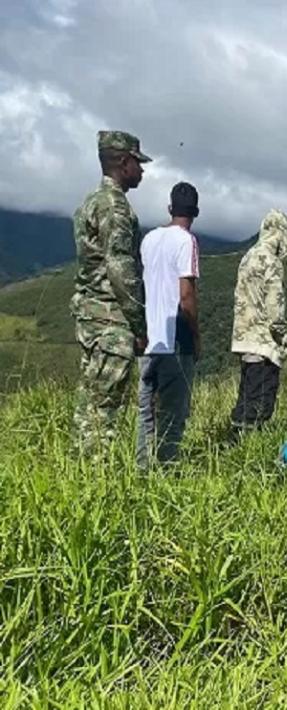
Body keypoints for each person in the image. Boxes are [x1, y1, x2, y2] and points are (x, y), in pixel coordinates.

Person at [70, 130, 150, 458]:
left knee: (88, 402)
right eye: (137, 163)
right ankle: (95, 483)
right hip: (111, 319)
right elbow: (121, 270)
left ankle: (77, 471)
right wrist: (139, 323)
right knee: (104, 409)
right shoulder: (116, 208)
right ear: (122, 162)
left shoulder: (90, 201)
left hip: (90, 315)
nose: (141, 171)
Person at [136, 182, 201, 467]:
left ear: (169, 208)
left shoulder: (149, 239)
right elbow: (186, 296)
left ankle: (141, 472)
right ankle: (167, 473)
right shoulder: (187, 241)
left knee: (145, 412)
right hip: (175, 341)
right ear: (196, 212)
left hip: (148, 337)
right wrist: (196, 336)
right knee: (173, 414)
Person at [228, 208, 287, 435]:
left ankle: (234, 442)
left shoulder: (247, 257)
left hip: (244, 339)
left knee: (247, 395)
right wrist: (283, 336)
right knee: (260, 402)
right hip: (264, 343)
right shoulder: (272, 262)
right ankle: (246, 448)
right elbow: (274, 306)